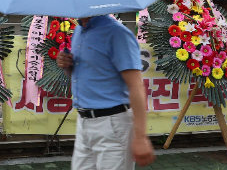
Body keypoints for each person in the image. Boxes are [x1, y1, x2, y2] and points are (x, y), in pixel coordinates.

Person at [56, 14, 155, 169]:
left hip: (113, 125)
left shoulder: (117, 34)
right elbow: (84, 76)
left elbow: (136, 86)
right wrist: (67, 66)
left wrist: (141, 137)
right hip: (84, 122)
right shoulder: (79, 31)